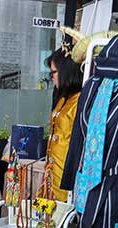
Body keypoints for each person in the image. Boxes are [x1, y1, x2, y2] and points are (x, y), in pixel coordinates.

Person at [45, 49, 82, 203]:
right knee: (46, 217)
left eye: (53, 72)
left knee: (62, 218)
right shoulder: (62, 99)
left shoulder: (80, 101)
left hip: (67, 174)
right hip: (51, 171)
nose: (51, 78)